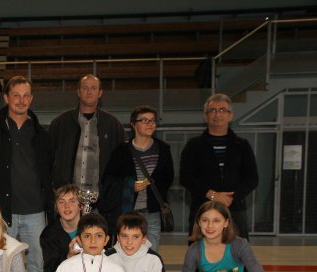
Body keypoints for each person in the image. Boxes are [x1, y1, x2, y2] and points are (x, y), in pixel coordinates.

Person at [0, 76, 53, 272]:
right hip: (4, 213)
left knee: (37, 265)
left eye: (26, 96)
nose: (21, 101)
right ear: (6, 97)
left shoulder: (41, 133)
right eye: (16, 95)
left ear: (31, 99)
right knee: (3, 266)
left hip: (36, 212)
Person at [49, 74, 125, 231]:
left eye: (93, 88)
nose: (89, 92)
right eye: (85, 88)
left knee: (99, 241)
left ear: (100, 92)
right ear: (78, 91)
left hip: (102, 203)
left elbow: (121, 164)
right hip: (69, 202)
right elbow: (48, 158)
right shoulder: (61, 123)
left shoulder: (113, 125)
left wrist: (112, 192)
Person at [180, 93, 258, 239]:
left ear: (230, 115)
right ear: (206, 116)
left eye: (222, 110)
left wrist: (231, 197)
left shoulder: (242, 145)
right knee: (200, 251)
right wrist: (212, 195)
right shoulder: (193, 145)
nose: (217, 114)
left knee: (237, 250)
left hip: (235, 210)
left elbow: (252, 178)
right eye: (212, 110)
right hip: (202, 208)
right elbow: (185, 177)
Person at [103, 105, 174, 251]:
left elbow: (169, 178)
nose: (150, 124)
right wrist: (129, 186)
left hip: (153, 212)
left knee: (150, 254)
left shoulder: (163, 149)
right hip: (127, 211)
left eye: (153, 120)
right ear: (133, 124)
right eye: (144, 120)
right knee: (126, 253)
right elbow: (108, 180)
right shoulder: (121, 151)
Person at [39, 184, 82, 272]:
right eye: (61, 202)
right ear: (56, 207)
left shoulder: (92, 226)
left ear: (81, 205)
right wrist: (68, 256)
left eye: (72, 201)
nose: (66, 206)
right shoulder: (49, 233)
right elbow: (50, 270)